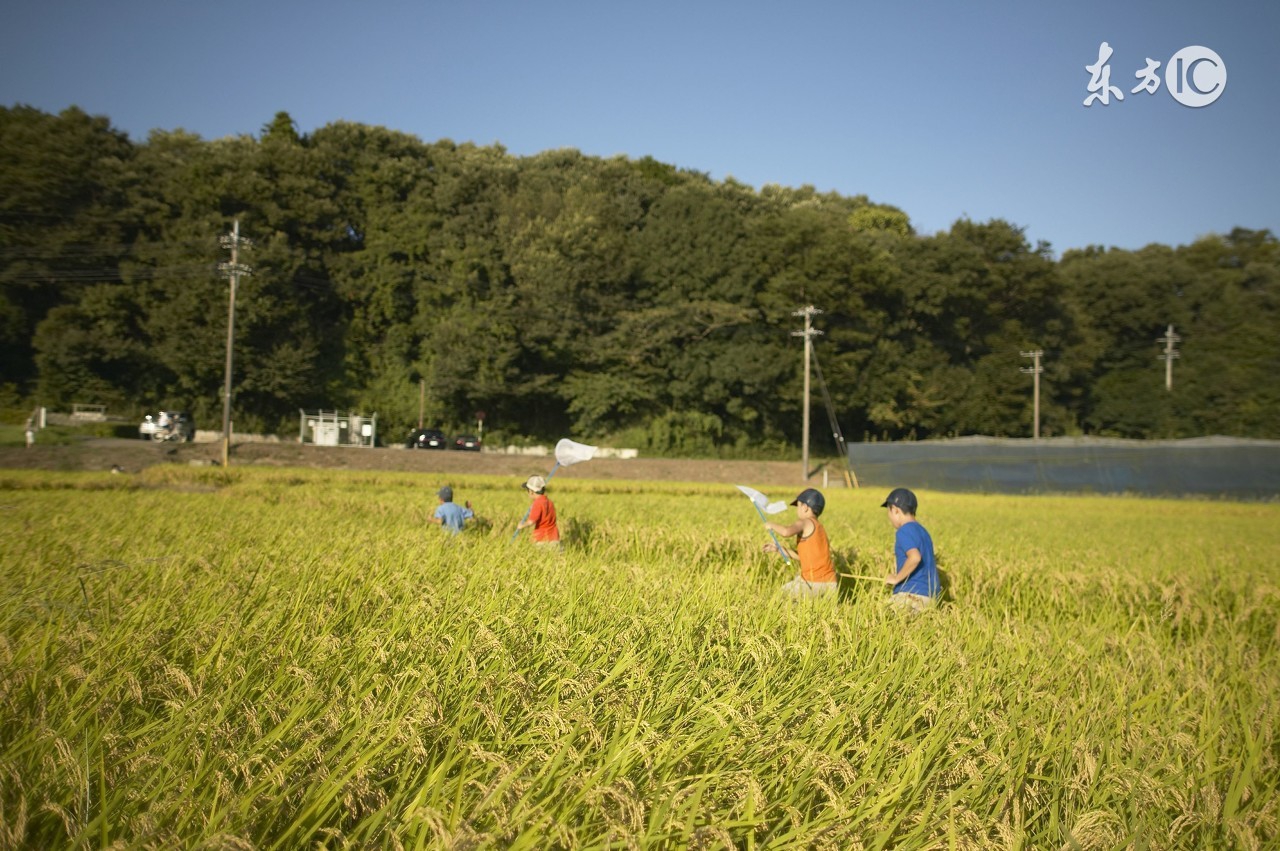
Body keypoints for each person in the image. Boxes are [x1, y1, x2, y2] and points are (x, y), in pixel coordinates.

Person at [763, 487, 837, 599]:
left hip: (813, 583)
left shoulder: (806, 522)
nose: (797, 510)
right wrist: (778, 549)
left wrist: (771, 524)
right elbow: (801, 556)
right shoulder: (819, 527)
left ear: (805, 507)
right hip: (830, 584)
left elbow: (786, 532)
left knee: (777, 598)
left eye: (798, 506)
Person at [880, 487, 940, 612]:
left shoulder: (904, 531)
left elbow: (915, 557)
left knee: (879, 616)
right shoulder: (924, 532)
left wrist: (896, 578)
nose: (889, 517)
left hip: (911, 594)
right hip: (931, 597)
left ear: (895, 510)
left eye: (889, 511)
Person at [517, 475, 560, 548]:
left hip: (542, 540)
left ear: (531, 491)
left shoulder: (537, 503)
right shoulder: (550, 502)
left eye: (527, 490)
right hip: (554, 538)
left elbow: (532, 521)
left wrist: (521, 525)